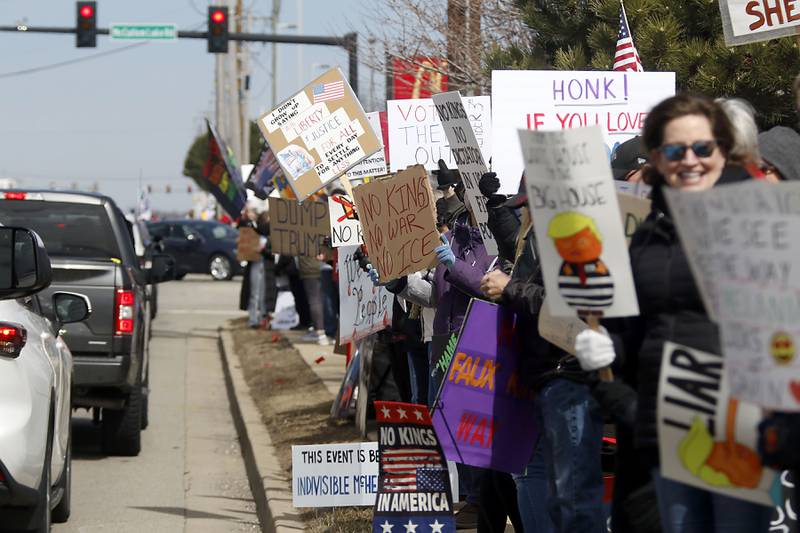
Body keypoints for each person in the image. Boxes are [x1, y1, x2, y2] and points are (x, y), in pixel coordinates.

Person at [574, 94, 771, 533]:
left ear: (723, 150)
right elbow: (636, 327)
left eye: (702, 148)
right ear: (658, 159)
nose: (690, 161)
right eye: (674, 150)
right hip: (669, 430)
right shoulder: (650, 234)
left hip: (738, 430)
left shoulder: (758, 220)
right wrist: (607, 349)